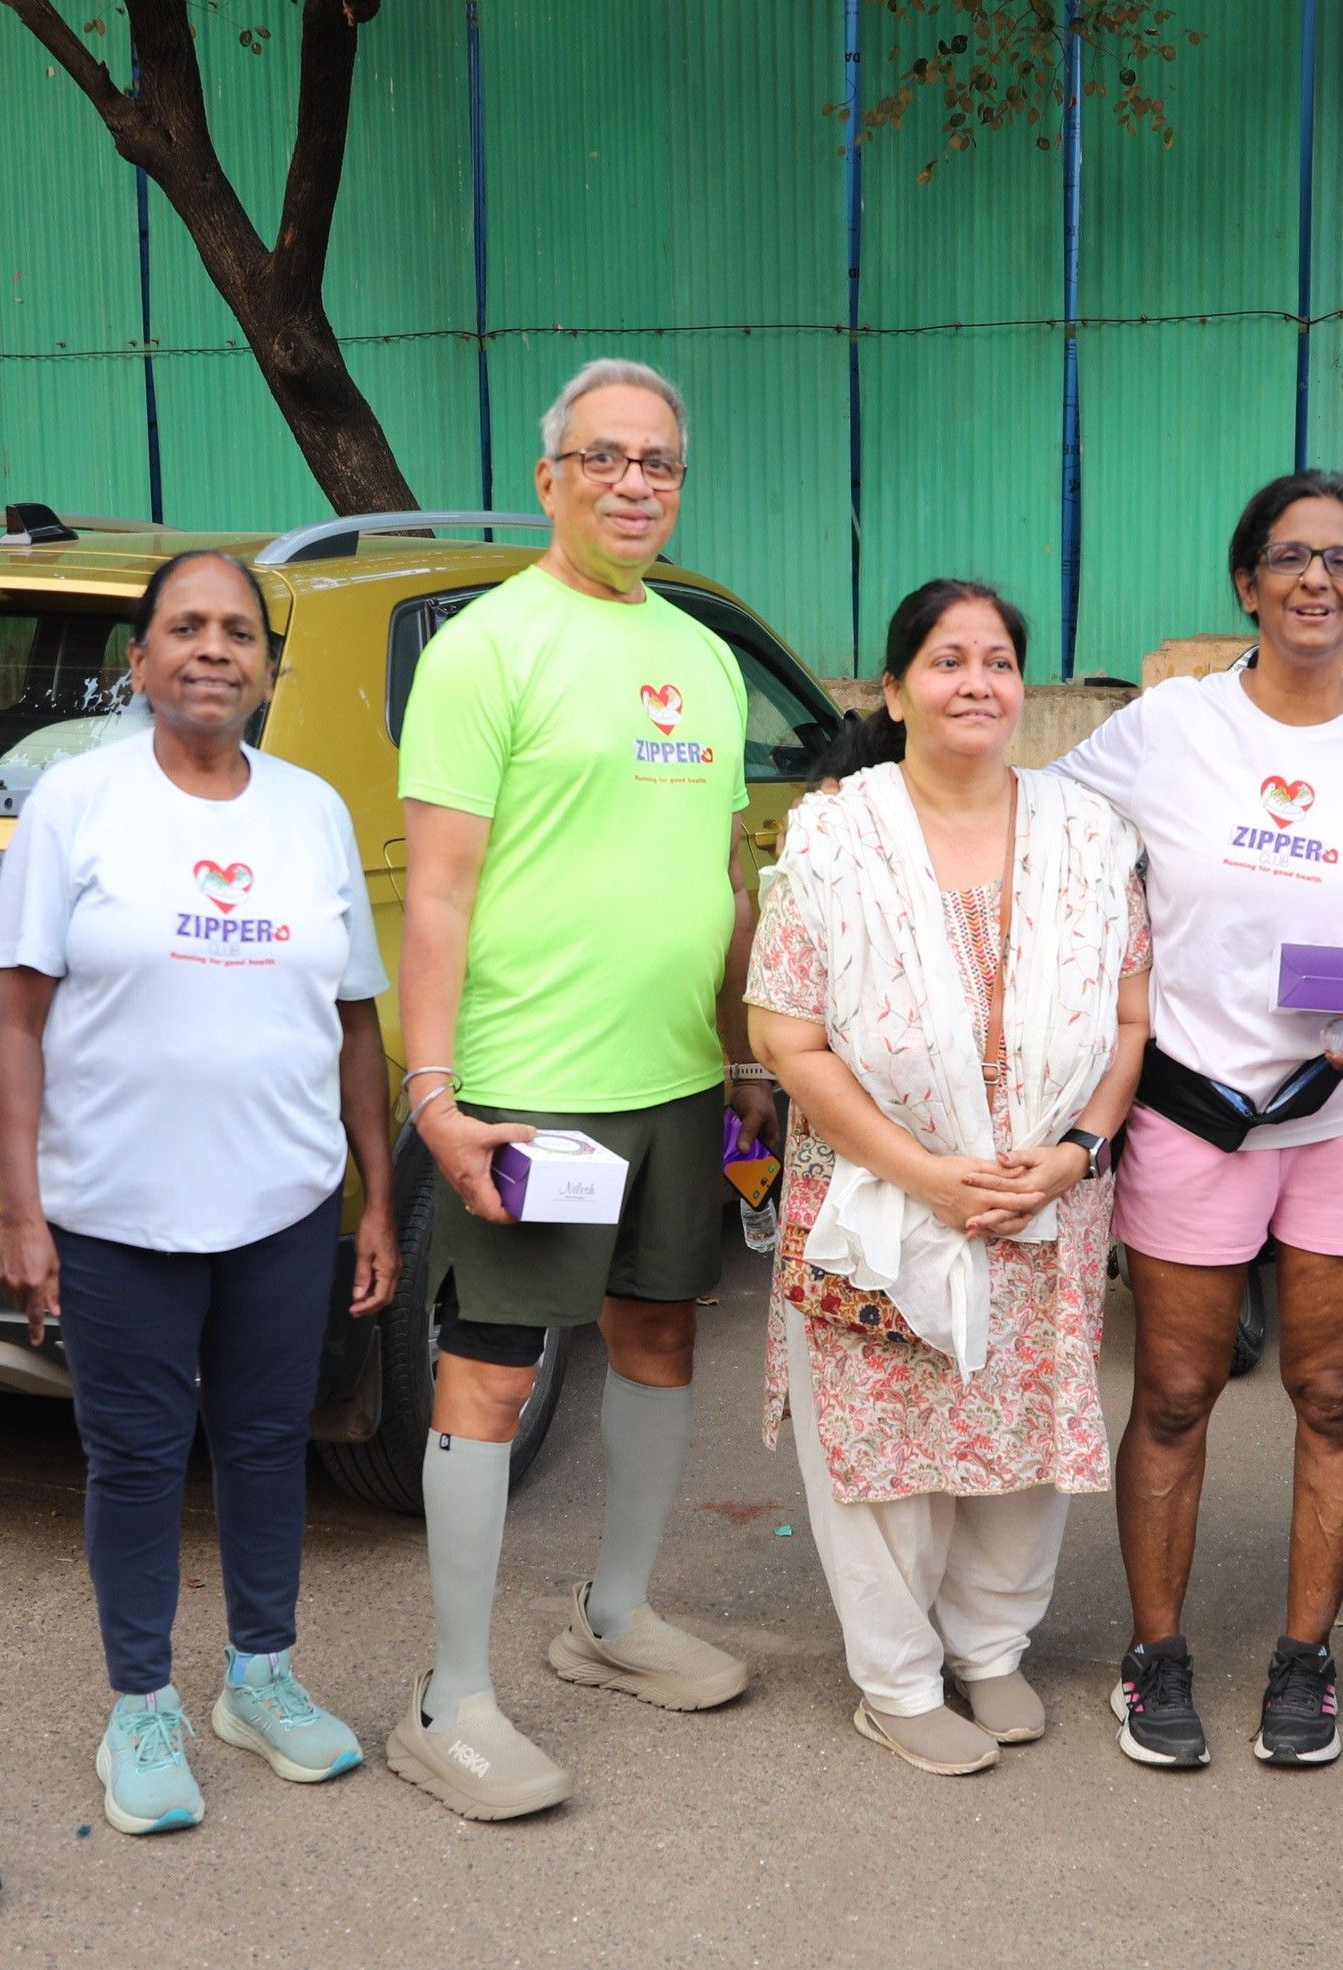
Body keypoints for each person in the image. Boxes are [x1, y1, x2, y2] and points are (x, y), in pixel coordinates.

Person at [389, 357, 773, 1818]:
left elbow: (724, 877)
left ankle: (615, 1616)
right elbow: (437, 890)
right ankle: (451, 1696)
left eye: (658, 462)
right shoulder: (487, 647)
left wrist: (741, 1055)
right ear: (549, 478)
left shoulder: (704, 654)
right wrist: (436, 1094)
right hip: (530, 1083)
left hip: (676, 1080)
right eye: (604, 457)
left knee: (660, 1337)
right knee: (492, 1372)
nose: (633, 483)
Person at [0, 549, 401, 1836]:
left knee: (270, 1444)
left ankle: (260, 1678)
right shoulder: (77, 803)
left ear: (267, 667)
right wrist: (20, 1210)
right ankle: (141, 1707)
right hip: (116, 1209)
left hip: (282, 1203)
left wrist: (378, 1199)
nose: (213, 649)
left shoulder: (312, 811)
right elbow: (15, 1020)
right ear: (141, 660)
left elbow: (355, 1021)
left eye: (238, 631)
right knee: (137, 1457)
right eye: (185, 628)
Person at [1045, 472, 1343, 1772]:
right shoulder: (1170, 727)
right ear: (1247, 581)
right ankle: (1156, 1654)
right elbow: (1040, 825)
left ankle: (1304, 1658)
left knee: (1333, 1395)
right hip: (1195, 1110)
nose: (1316, 579)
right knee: (1173, 1393)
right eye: (1289, 556)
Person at [749, 580, 1150, 1774]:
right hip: (875, 1196)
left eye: (997, 662)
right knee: (881, 1448)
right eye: (945, 660)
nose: (976, 682)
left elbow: (1131, 1021)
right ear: (894, 689)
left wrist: (1075, 1153)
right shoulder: (834, 836)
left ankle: (991, 1647)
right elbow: (786, 1036)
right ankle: (896, 1681)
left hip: (1041, 1195)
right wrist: (925, 1173)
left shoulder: (1091, 837)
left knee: (1019, 1435)